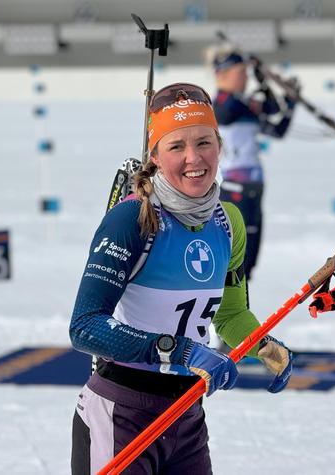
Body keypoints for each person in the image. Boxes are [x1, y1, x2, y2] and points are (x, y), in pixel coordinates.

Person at [69, 82, 294, 475]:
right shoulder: (132, 218)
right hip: (122, 413)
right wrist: (180, 351)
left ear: (220, 146)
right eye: (177, 147)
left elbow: (229, 313)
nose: (194, 158)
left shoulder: (228, 221)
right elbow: (85, 326)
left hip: (186, 415)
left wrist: (262, 345)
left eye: (204, 142)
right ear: (154, 156)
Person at [211, 48, 298, 280]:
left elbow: (278, 129)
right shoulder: (222, 104)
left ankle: (242, 307)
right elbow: (229, 111)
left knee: (250, 258)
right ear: (223, 74)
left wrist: (290, 102)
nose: (246, 78)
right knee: (238, 258)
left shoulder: (243, 106)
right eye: (242, 73)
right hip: (235, 189)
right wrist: (264, 93)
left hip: (253, 189)